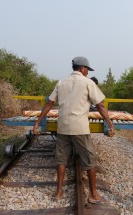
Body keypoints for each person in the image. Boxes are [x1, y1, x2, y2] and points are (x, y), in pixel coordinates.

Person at [33, 56, 115, 204]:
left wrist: (37, 122)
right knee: (90, 160)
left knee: (61, 160)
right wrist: (110, 124)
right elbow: (101, 106)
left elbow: (49, 103)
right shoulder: (88, 83)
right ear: (82, 68)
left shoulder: (61, 82)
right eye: (87, 70)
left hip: (63, 127)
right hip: (80, 128)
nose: (88, 73)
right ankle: (93, 194)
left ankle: (58, 192)